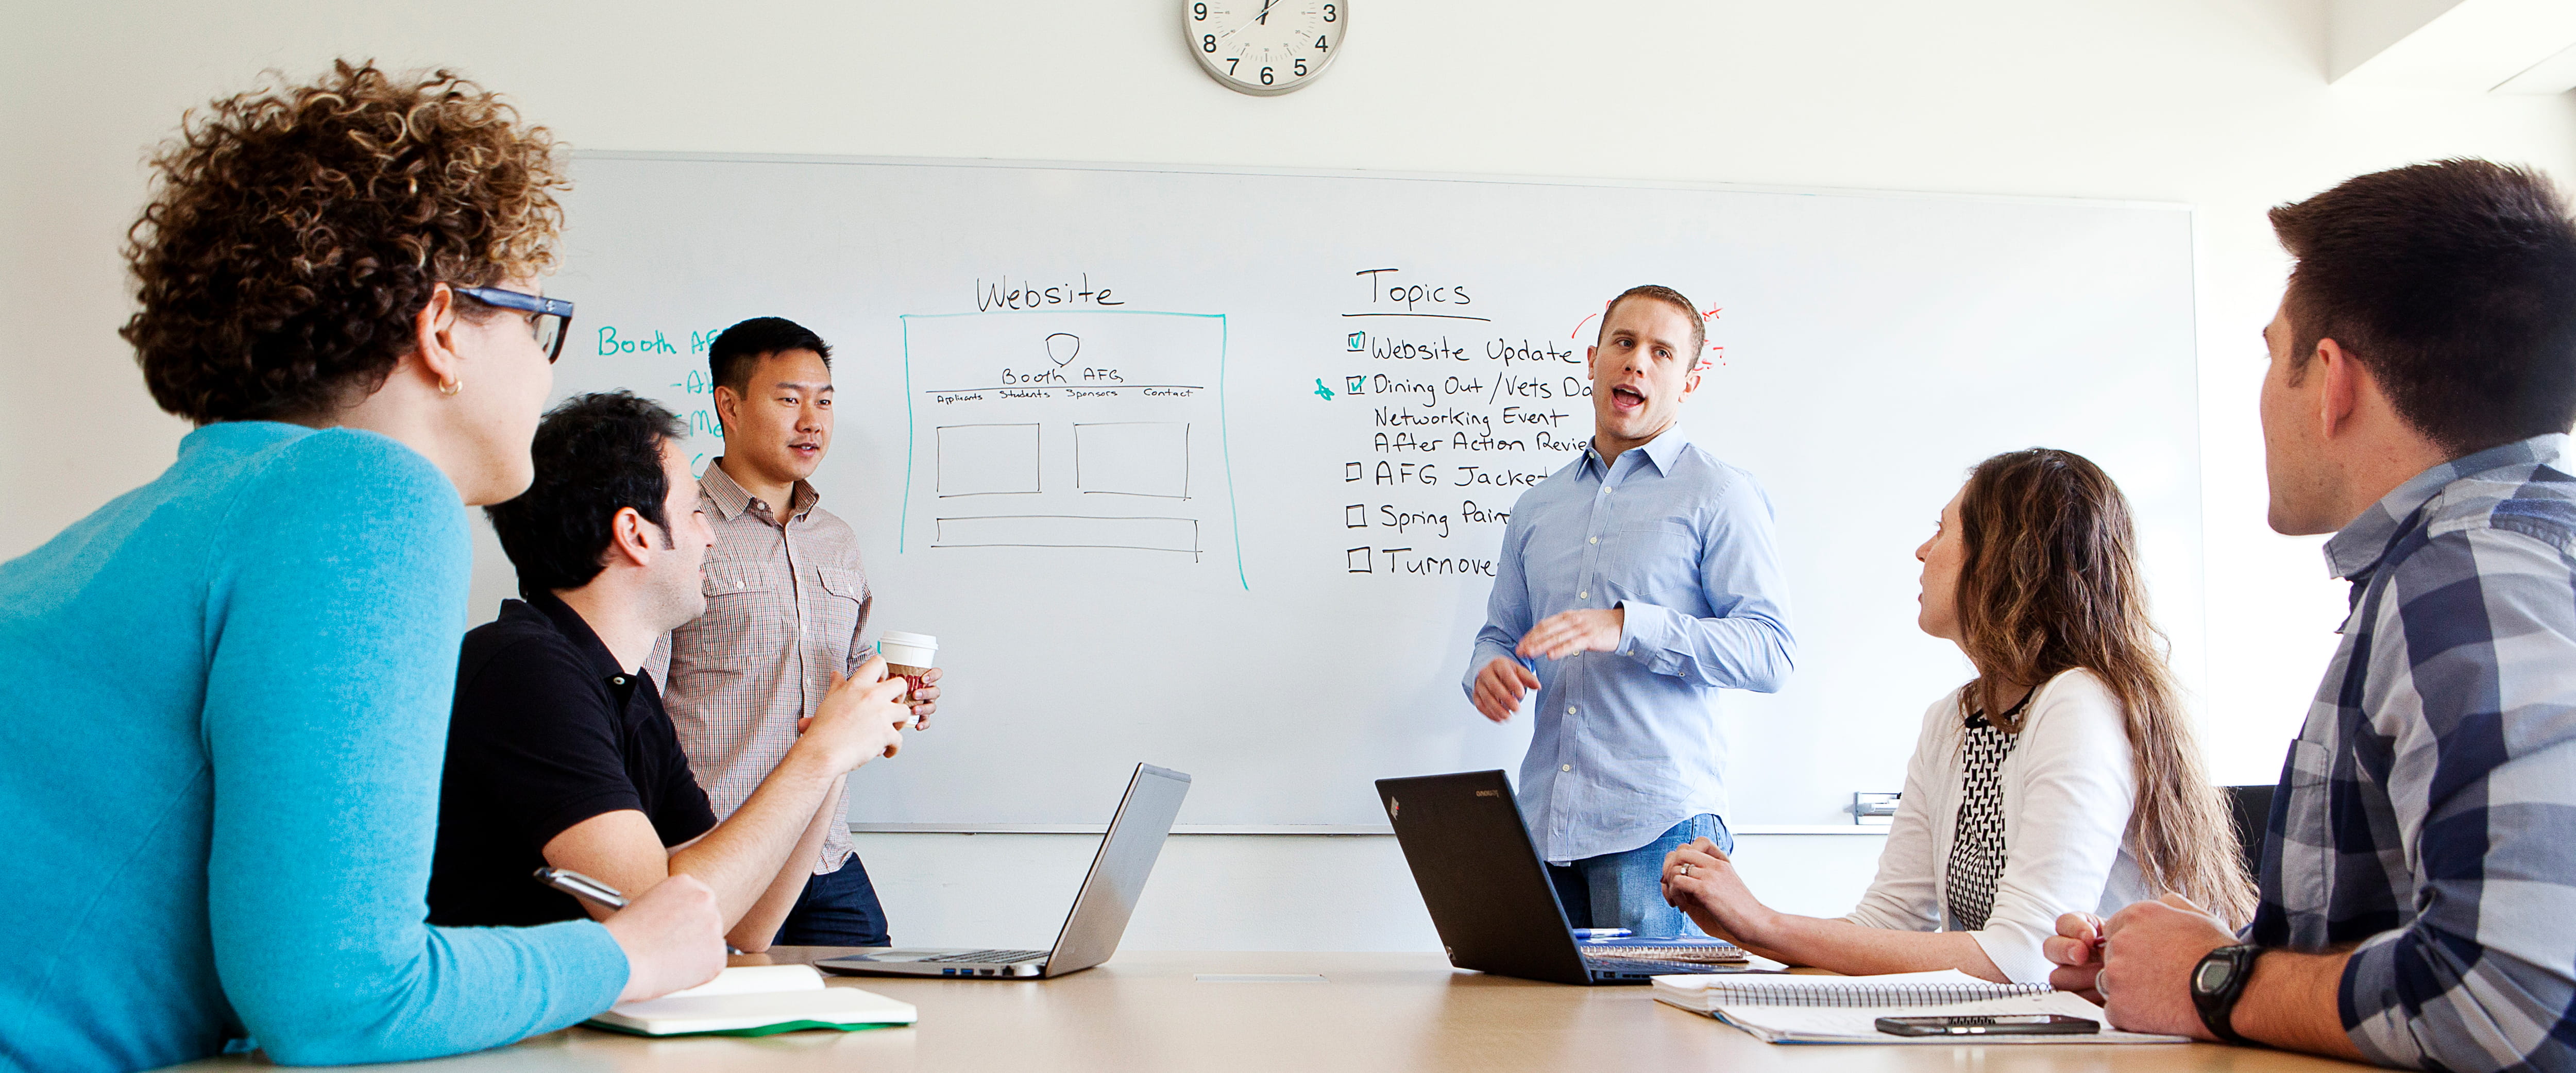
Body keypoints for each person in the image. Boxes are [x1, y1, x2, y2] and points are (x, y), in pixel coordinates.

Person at [0, 62, 723, 1072]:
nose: (547, 362)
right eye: (532, 317)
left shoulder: (182, 512)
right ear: (441, 329)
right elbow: (340, 1002)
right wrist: (619, 955)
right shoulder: (370, 497)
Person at [2043, 160, 2576, 1070]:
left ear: (2331, 379)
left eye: (2270, 351)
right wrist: (2212, 964)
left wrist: (2217, 979)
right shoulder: (2493, 555)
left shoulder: (2469, 575)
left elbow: (2515, 997)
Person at [1660, 449, 2253, 982]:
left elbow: (2023, 957)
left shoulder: (2079, 702)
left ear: (2004, 556)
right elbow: (1886, 924)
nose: (1922, 550)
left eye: (1941, 530)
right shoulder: (1953, 719)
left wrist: (1765, 925)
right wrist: (1743, 926)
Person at [429, 392, 914, 951]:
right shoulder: (525, 673)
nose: (709, 535)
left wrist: (834, 757)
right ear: (636, 534)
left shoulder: (628, 695)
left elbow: (745, 927)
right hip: (520, 1038)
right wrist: (819, 754)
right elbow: (664, 922)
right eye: (692, 512)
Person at [1462, 284, 1795, 938]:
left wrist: (1628, 626)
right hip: (1545, 830)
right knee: (1541, 1037)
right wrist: (1488, 668)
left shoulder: (1720, 494)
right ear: (1593, 359)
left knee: (1655, 1037)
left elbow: (1769, 652)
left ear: (1687, 381)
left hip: (1661, 832)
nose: (1636, 361)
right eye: (1623, 342)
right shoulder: (1537, 508)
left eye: (1660, 351)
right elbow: (1498, 634)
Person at [651, 316, 942, 947]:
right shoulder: (680, 530)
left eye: (824, 401)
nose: (811, 420)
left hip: (827, 856)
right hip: (723, 853)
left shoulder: (835, 538)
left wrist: (897, 696)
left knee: (873, 1027)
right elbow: (633, 709)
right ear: (728, 405)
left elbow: (856, 673)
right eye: (789, 399)